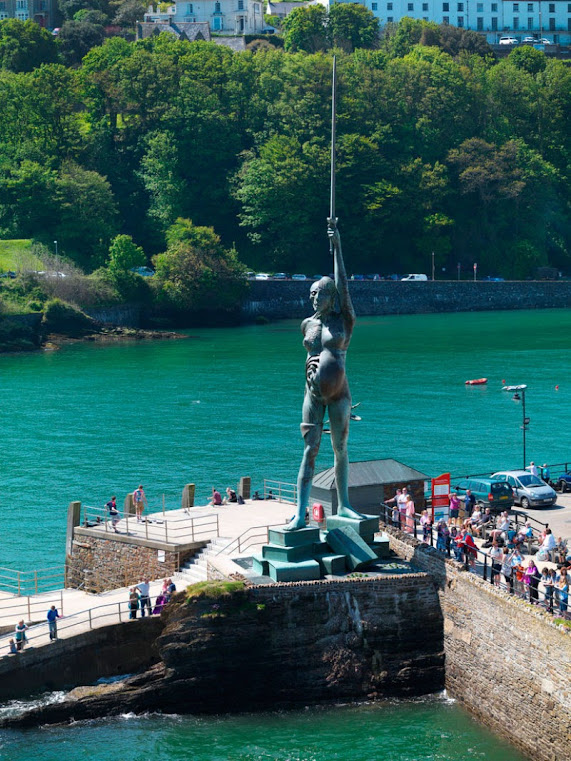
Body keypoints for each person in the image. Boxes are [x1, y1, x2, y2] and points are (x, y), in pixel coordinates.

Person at [286, 218, 365, 531]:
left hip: (340, 394)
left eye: (317, 293)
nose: (312, 298)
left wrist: (338, 246)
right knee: (310, 450)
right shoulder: (308, 324)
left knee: (340, 449)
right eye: (310, 294)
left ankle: (344, 504)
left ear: (330, 297)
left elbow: (343, 284)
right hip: (312, 394)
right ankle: (299, 512)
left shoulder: (345, 321)